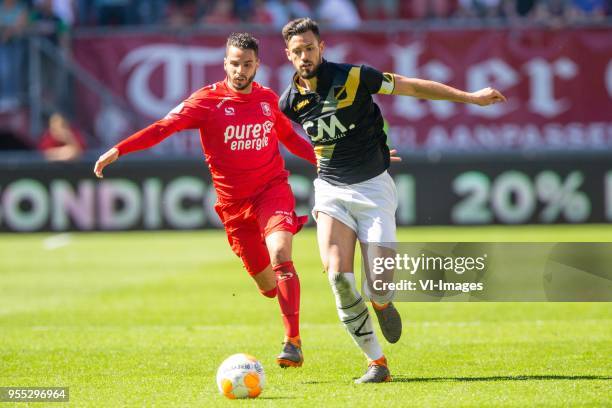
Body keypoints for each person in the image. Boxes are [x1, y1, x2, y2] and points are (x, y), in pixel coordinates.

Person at [278, 17, 506, 383]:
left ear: (322, 48)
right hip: (331, 191)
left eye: (309, 48)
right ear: (288, 55)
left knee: (378, 285)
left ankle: (382, 302)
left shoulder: (354, 77)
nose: (304, 55)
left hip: (373, 188)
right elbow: (314, 144)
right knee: (338, 277)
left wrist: (470, 97)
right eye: (297, 51)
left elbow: (412, 87)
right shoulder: (289, 102)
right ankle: (377, 363)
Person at [93, 32, 316, 368]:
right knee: (269, 286)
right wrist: (119, 149)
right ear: (225, 63)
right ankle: (282, 303)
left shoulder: (269, 100)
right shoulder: (207, 102)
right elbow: (162, 128)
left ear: (258, 65)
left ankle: (292, 342)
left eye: (247, 64)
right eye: (235, 63)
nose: (240, 70)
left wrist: (334, 160)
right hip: (234, 208)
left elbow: (293, 141)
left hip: (272, 191)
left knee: (282, 255)